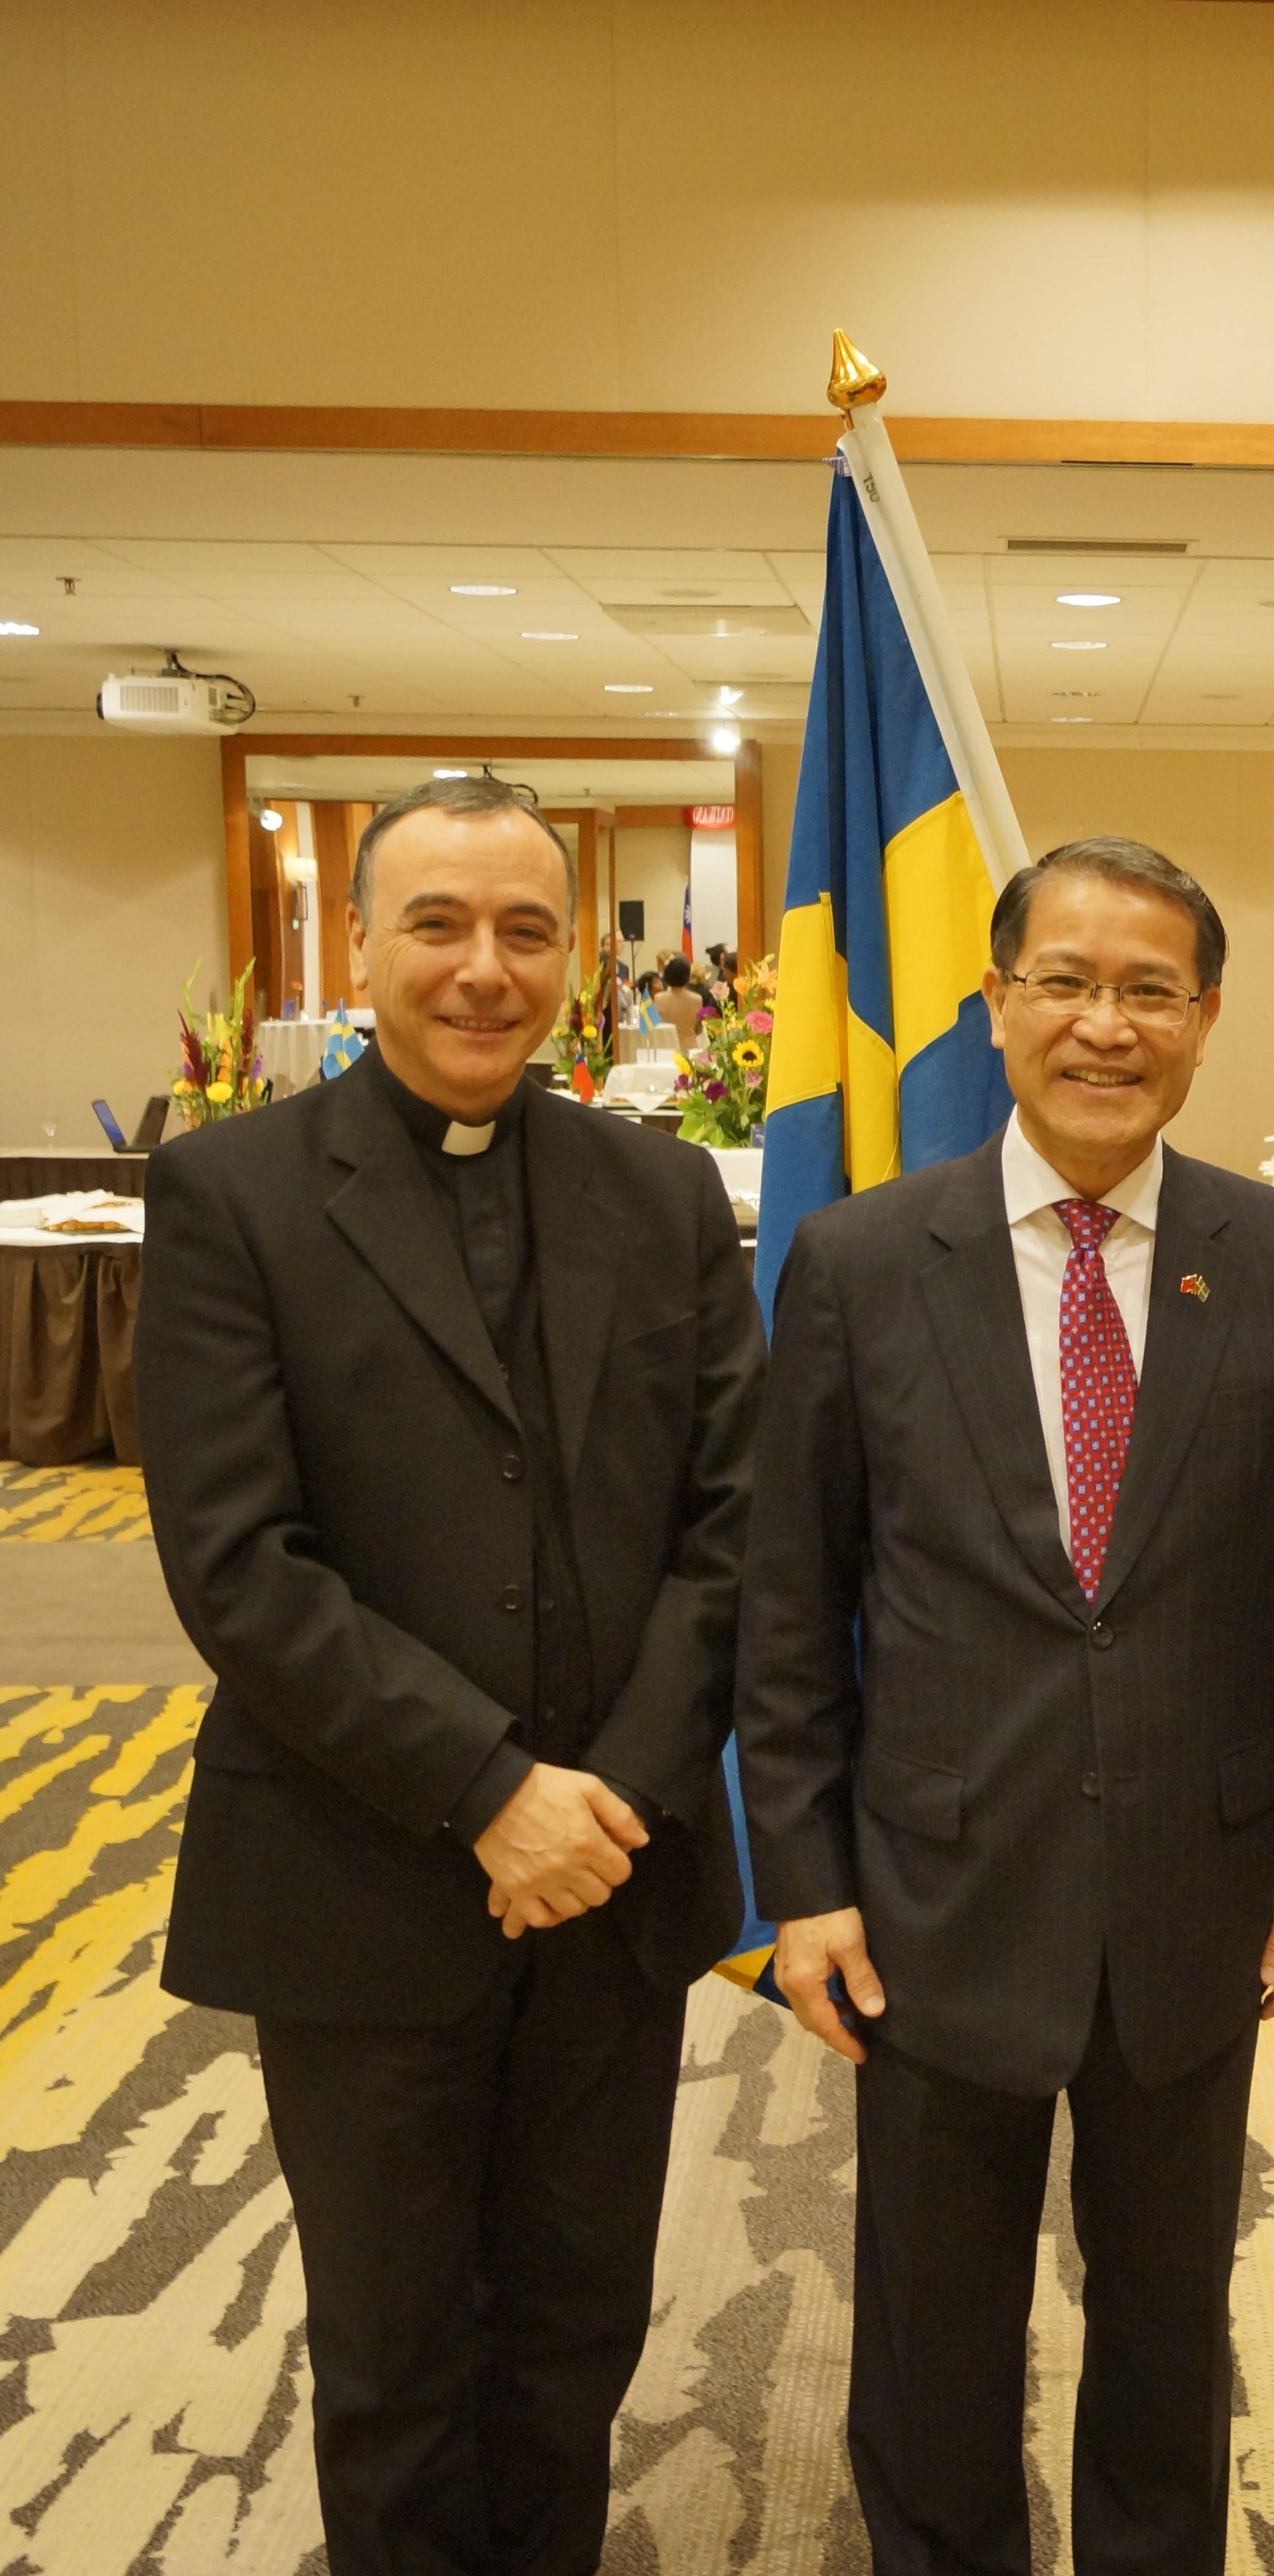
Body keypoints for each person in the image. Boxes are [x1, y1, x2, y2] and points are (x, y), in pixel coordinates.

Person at [734, 835, 1274, 2576]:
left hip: (1198, 1895)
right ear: (998, 1002)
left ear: (1204, 1017)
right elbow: (790, 1606)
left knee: (1169, 2324)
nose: (1106, 1025)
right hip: (931, 1898)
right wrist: (799, 1879)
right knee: (932, 2333)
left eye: (1150, 989)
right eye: (1067, 982)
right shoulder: (863, 1259)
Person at [137, 774, 766, 2576]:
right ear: (357, 945)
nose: (483, 971)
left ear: (574, 954)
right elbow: (238, 1566)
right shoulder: (229, 1192)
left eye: (524, 930)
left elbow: (734, 1530)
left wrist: (614, 1797)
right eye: (437, 925)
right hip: (361, 1867)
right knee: (396, 2357)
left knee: (576, 2330)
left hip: (611, 1878)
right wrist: (493, 1790)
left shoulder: (657, 1191)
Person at [651, 954, 704, 1044]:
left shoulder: (659, 999)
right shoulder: (697, 999)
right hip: (690, 1047)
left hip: (666, 1047)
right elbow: (699, 1029)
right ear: (688, 976)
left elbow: (654, 1026)